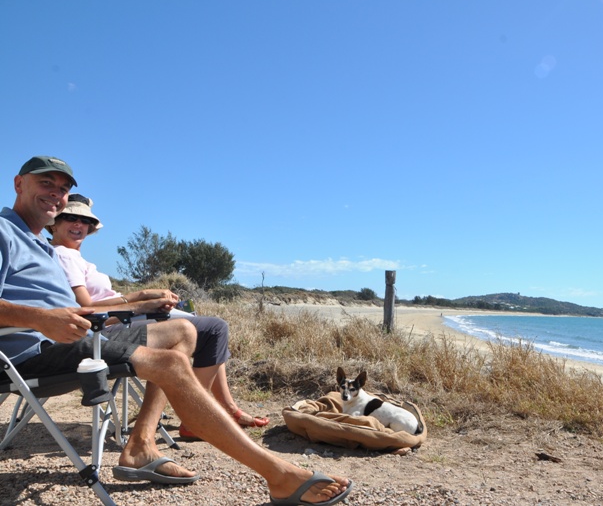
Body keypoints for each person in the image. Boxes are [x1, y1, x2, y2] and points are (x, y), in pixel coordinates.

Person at [0, 156, 352, 505]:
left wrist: (135, 306)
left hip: (75, 339)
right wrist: (38, 319)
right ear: (19, 184)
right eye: (46, 183)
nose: (56, 194)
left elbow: (74, 310)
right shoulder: (3, 231)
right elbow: (45, 315)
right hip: (29, 356)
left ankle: (141, 445)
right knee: (169, 363)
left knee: (183, 331)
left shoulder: (43, 246)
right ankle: (279, 475)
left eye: (62, 189)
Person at [47, 193, 268, 438]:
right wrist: (141, 299)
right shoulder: (63, 255)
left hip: (115, 322)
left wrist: (144, 300)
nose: (78, 224)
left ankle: (224, 407)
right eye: (70, 217)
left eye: (84, 220)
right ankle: (198, 416)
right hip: (104, 330)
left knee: (210, 329)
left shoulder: (73, 256)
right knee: (214, 329)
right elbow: (86, 306)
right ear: (53, 223)